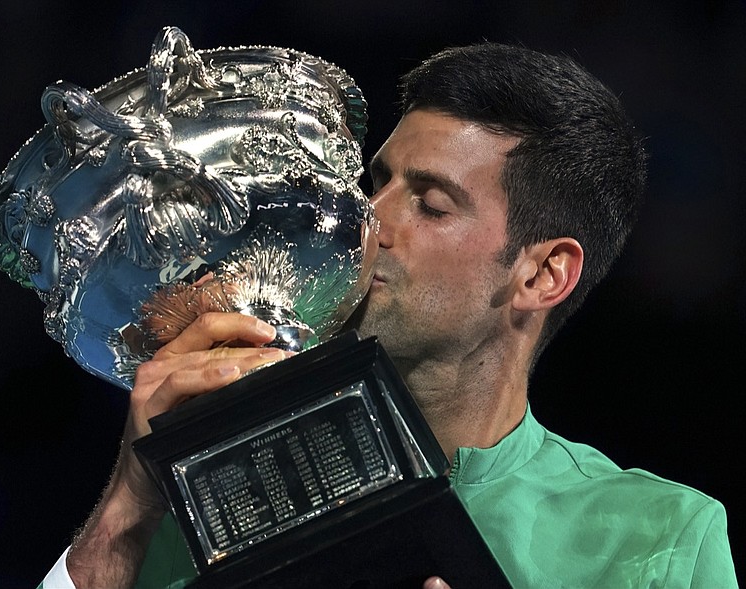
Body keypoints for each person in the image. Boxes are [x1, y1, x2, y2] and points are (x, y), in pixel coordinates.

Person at [40, 42, 738, 589]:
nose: (369, 219)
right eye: (377, 182)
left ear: (541, 272)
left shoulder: (657, 537)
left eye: (431, 204)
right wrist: (130, 506)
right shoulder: (207, 492)